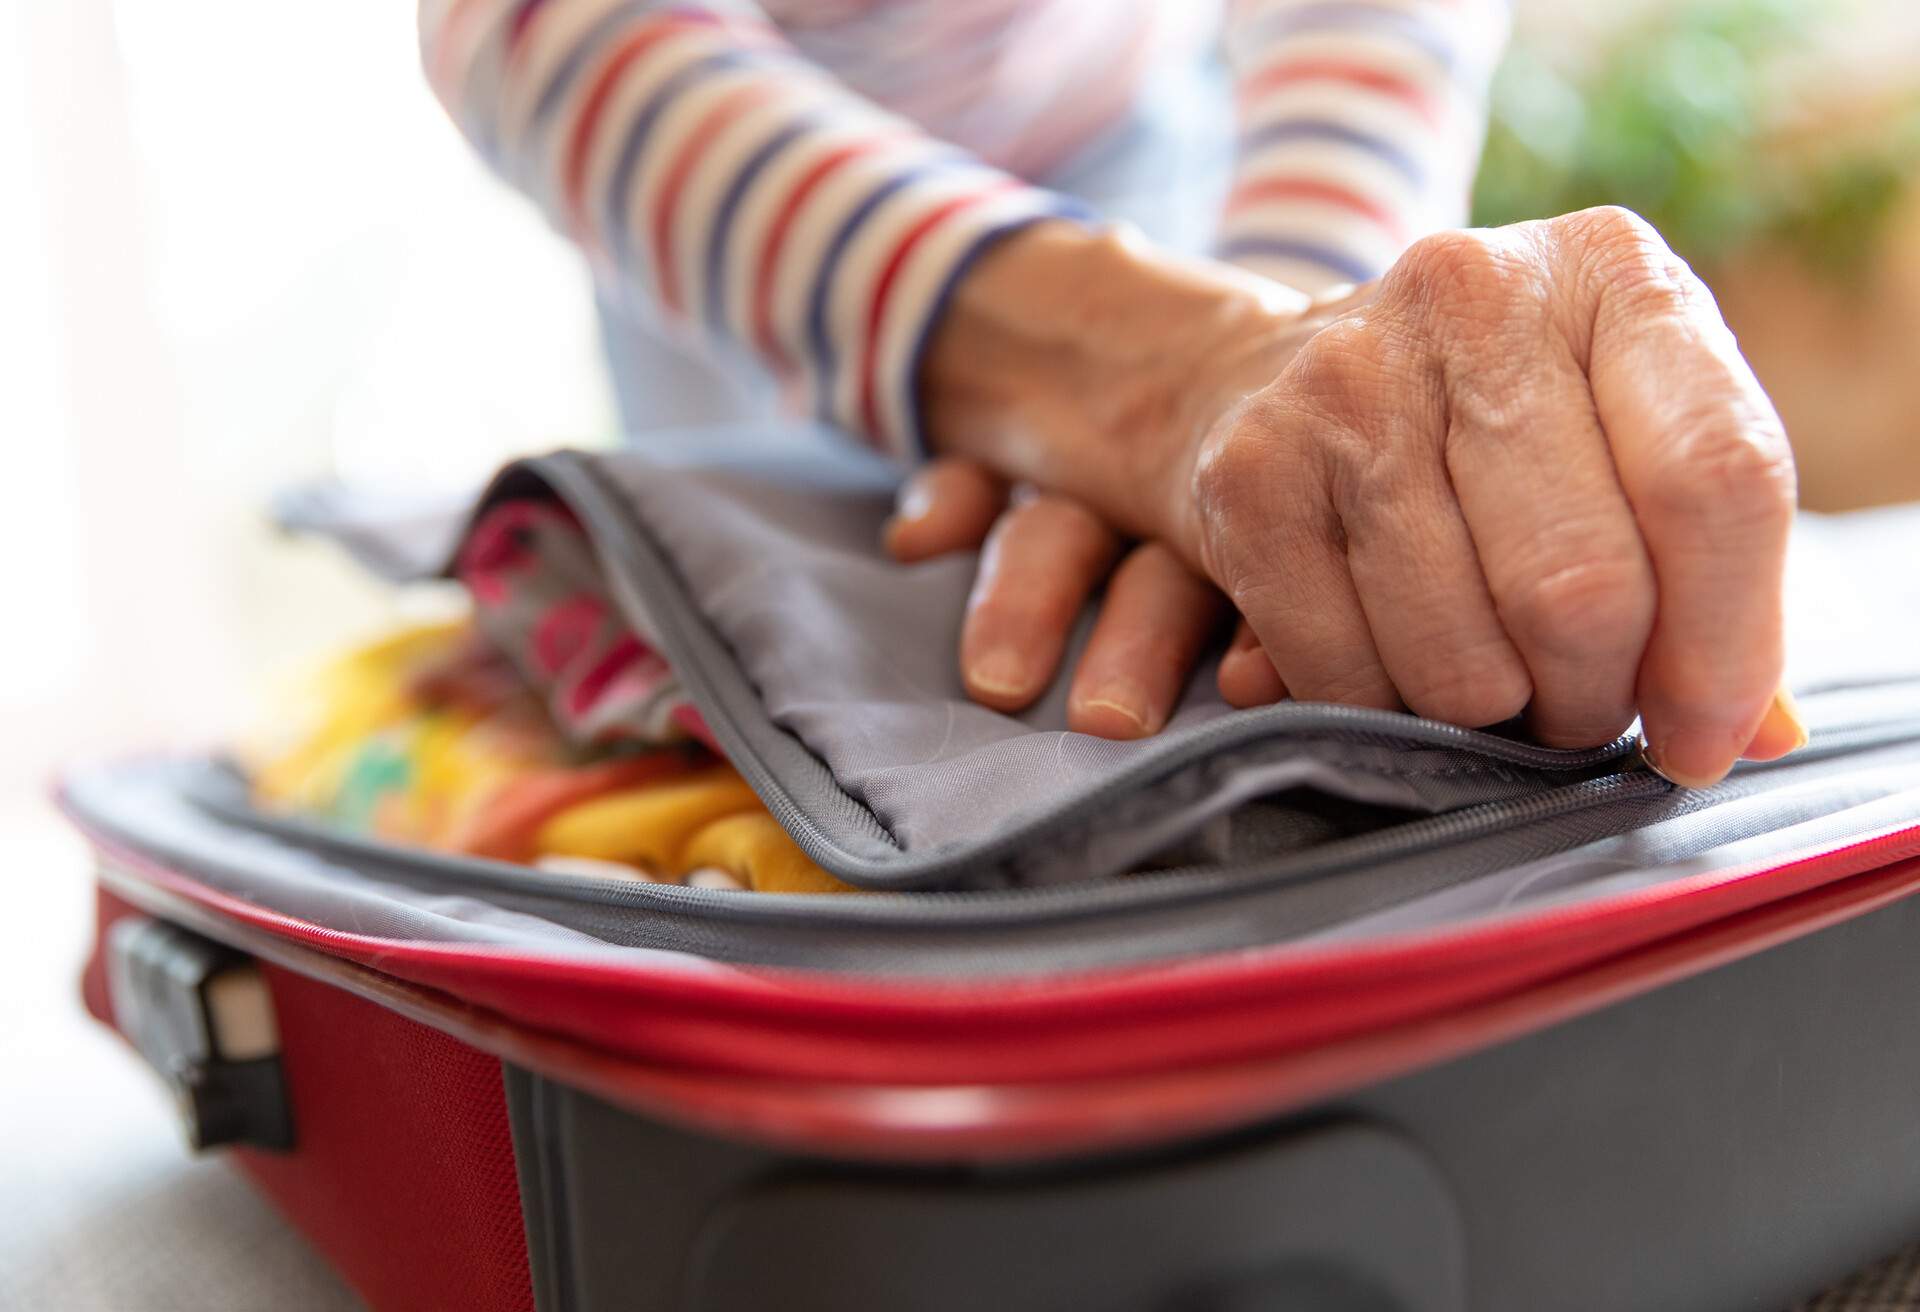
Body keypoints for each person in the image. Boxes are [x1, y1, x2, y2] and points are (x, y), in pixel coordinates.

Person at [420, 0, 1807, 790]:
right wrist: (1155, 377)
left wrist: (1282, 326)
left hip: (1137, 136)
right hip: (726, 178)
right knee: (770, 654)